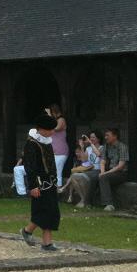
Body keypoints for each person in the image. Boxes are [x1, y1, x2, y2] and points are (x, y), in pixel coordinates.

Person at [19, 114, 61, 251]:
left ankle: (33, 234)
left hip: (50, 182)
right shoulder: (32, 144)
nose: (53, 132)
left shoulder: (47, 141)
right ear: (43, 129)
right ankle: (40, 239)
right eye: (51, 129)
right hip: (39, 183)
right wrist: (33, 186)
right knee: (43, 210)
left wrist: (55, 180)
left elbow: (51, 164)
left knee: (51, 210)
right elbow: (30, 166)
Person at [63, 131, 102, 209]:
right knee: (74, 176)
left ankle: (84, 201)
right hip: (89, 170)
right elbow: (84, 160)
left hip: (97, 170)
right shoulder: (88, 148)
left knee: (79, 177)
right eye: (90, 137)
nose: (91, 139)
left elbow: (98, 154)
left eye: (93, 137)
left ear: (99, 139)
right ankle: (84, 199)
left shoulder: (102, 147)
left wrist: (90, 143)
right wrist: (82, 147)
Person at [98, 128, 129, 211]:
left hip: (121, 173)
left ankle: (109, 204)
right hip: (109, 171)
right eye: (105, 135)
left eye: (108, 135)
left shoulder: (122, 147)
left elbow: (121, 166)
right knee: (94, 176)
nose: (105, 137)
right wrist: (102, 172)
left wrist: (105, 173)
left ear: (115, 136)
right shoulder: (106, 146)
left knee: (104, 177)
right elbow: (102, 161)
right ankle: (89, 201)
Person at [46, 104, 69, 188]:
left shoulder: (61, 120)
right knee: (51, 171)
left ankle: (57, 191)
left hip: (61, 151)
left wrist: (49, 116)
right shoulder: (54, 120)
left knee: (57, 172)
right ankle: (52, 189)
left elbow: (56, 128)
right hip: (54, 151)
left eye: (51, 114)